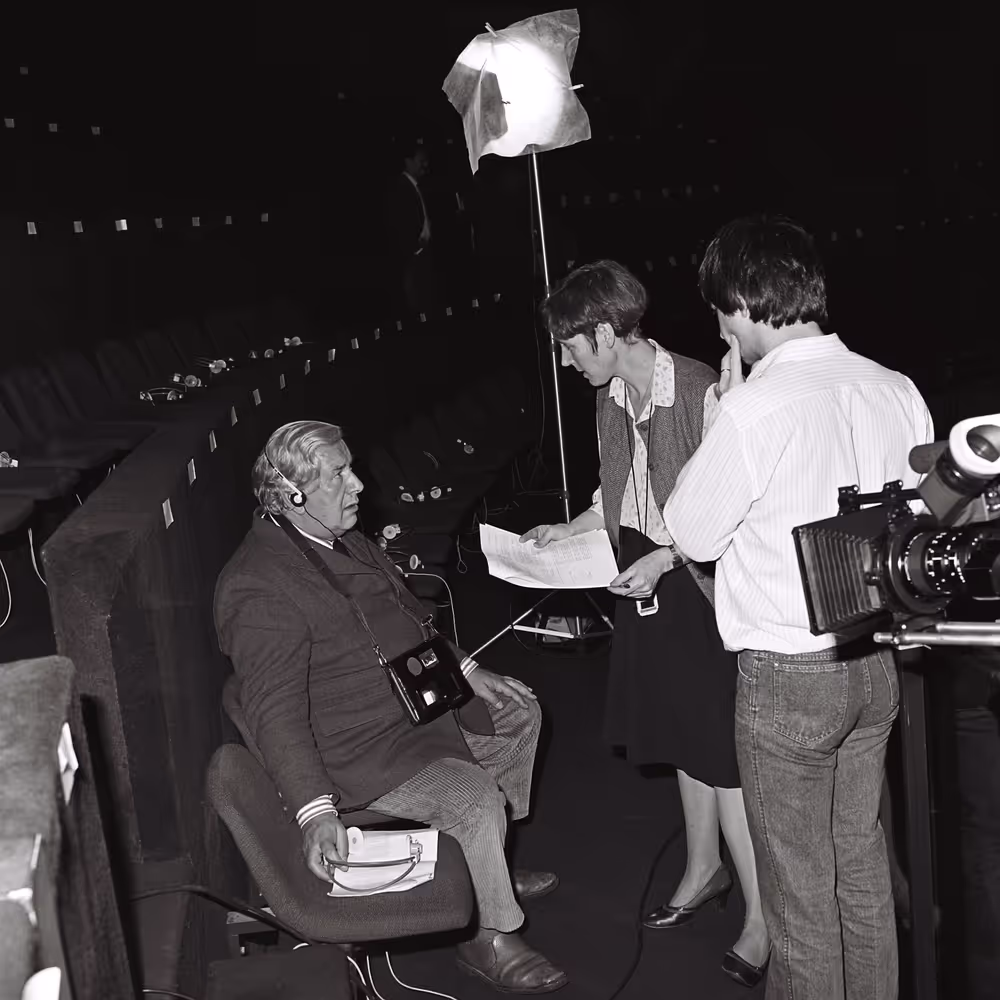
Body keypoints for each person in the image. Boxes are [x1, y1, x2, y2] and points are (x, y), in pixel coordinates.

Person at [663, 214, 934, 999]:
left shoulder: (754, 406)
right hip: (875, 662)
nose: (720, 326)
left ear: (746, 302)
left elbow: (692, 532)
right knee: (862, 871)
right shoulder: (895, 386)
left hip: (788, 678)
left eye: (720, 310)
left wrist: (722, 409)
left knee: (800, 901)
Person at [214, 420, 567, 994]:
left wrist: (471, 670)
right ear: (291, 494)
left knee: (518, 715)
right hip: (354, 749)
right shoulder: (258, 587)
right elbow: (274, 714)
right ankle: (488, 937)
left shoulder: (340, 537)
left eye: (350, 467)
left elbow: (408, 619)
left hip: (408, 707)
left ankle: (489, 867)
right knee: (473, 797)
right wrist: (312, 811)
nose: (358, 485)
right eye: (339, 475)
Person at [520, 260, 770, 988]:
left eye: (571, 347)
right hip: (646, 572)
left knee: (722, 755)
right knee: (683, 740)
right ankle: (702, 871)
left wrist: (663, 559)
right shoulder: (612, 394)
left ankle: (763, 917)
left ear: (603, 332)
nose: (568, 363)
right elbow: (617, 483)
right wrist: (567, 528)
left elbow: (731, 507)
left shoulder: (698, 389)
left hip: (696, 584)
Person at [383, 139, 437, 314]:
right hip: (412, 258)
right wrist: (415, 248)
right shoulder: (400, 187)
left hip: (421, 255)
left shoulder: (417, 187)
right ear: (408, 161)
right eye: (421, 160)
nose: (425, 165)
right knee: (416, 304)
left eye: (426, 160)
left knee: (425, 302)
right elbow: (400, 223)